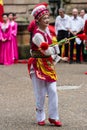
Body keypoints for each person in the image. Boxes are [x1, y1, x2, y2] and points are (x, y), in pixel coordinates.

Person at [28, 2, 68, 126]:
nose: (47, 20)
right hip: (38, 65)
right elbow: (47, 51)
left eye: (47, 17)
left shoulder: (48, 33)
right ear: (38, 20)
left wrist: (60, 49)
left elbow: (52, 50)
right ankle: (40, 115)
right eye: (44, 18)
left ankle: (53, 117)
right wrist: (57, 48)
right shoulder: (37, 36)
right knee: (40, 92)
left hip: (48, 65)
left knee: (53, 90)